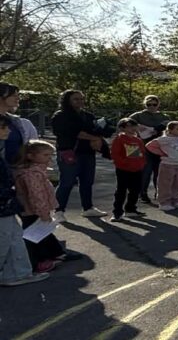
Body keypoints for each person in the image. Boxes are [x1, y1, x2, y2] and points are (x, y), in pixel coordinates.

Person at [13, 139, 70, 272]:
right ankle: (38, 262)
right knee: (34, 236)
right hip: (32, 210)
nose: (49, 158)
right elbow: (36, 195)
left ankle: (56, 253)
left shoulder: (37, 171)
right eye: (45, 155)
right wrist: (43, 212)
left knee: (43, 232)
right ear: (31, 156)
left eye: (50, 155)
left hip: (34, 209)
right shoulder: (31, 174)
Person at [51, 90, 109, 220]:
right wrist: (94, 138)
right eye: (76, 99)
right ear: (67, 100)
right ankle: (58, 210)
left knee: (87, 181)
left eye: (81, 99)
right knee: (67, 181)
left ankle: (88, 208)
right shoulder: (61, 115)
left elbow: (96, 130)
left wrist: (101, 134)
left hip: (87, 152)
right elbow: (73, 132)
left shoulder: (88, 115)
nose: (80, 101)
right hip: (69, 152)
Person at [0, 136, 47, 286]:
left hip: (6, 205)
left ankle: (18, 273)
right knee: (4, 239)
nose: (8, 131)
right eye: (3, 127)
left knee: (14, 237)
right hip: (2, 204)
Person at [130, 95, 169, 206]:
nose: (151, 106)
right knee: (145, 172)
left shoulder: (163, 116)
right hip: (142, 146)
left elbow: (171, 129)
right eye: (149, 104)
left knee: (160, 172)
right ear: (145, 104)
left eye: (154, 104)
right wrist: (136, 127)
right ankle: (142, 194)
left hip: (160, 147)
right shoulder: (137, 116)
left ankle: (160, 193)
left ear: (158, 104)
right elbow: (124, 125)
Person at [108, 118, 146, 222]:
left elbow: (142, 153)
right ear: (122, 128)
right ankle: (117, 212)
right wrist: (125, 163)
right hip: (123, 169)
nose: (132, 128)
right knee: (121, 190)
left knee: (136, 190)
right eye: (129, 126)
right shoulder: (119, 139)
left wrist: (141, 164)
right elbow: (115, 154)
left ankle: (130, 209)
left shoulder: (138, 140)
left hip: (137, 169)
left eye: (134, 126)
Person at [147, 121, 178, 210]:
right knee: (165, 184)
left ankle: (175, 200)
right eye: (177, 129)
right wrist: (162, 153)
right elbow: (149, 146)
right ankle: (164, 202)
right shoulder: (163, 139)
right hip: (167, 164)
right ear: (170, 130)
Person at [0, 83, 40, 166]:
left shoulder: (17, 121)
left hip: (16, 168)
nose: (18, 98)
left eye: (18, 95)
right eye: (14, 95)